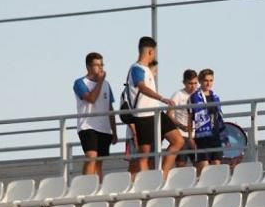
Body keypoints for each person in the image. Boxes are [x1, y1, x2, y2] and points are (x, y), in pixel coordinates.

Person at [125, 36, 185, 175]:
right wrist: (162, 98)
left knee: (178, 141)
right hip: (143, 115)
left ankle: (162, 175)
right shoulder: (136, 68)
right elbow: (142, 87)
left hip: (156, 113)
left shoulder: (147, 70)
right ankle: (146, 181)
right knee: (144, 154)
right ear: (150, 52)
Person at [73, 52, 118, 180]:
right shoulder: (80, 82)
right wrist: (100, 82)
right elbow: (91, 98)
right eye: (97, 65)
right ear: (88, 67)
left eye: (101, 64)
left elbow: (110, 108)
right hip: (88, 126)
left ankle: (98, 188)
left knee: (99, 162)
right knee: (91, 157)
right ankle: (85, 186)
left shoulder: (106, 84)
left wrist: (114, 131)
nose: (101, 68)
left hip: (104, 128)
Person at [190, 69, 225, 174]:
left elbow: (219, 117)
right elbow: (190, 117)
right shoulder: (195, 97)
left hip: (215, 136)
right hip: (202, 138)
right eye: (206, 80)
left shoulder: (216, 97)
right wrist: (190, 137)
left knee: (216, 172)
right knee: (204, 172)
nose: (208, 83)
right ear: (200, 81)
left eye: (211, 80)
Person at [168, 69, 198, 167]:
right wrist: (181, 126)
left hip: (196, 135)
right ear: (184, 82)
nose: (193, 86)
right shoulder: (178, 95)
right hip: (182, 135)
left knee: (199, 163)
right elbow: (169, 114)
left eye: (195, 83)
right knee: (181, 164)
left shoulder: (199, 95)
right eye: (190, 83)